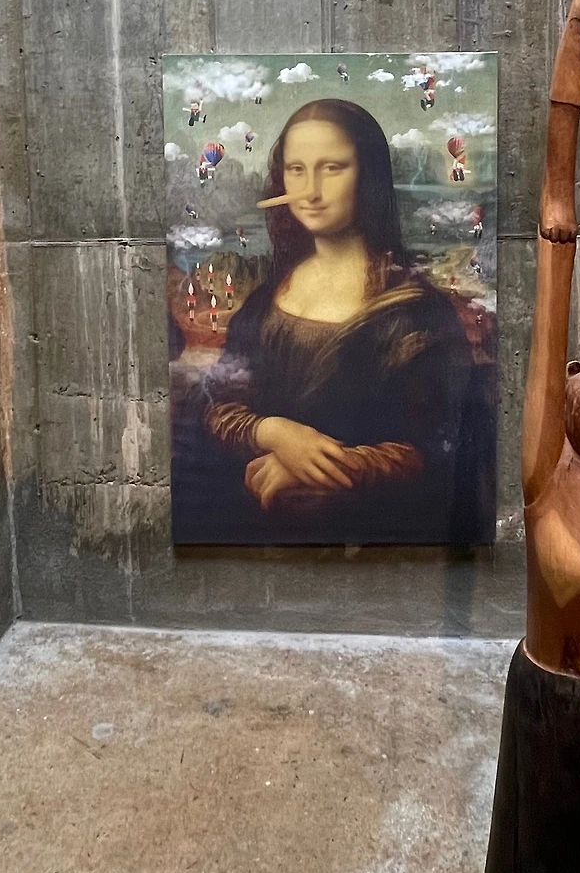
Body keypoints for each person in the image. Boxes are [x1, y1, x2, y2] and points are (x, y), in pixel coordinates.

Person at [172, 99, 493, 544]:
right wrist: (275, 433)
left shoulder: (417, 313)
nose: (310, 190)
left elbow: (437, 448)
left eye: (332, 168)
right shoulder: (267, 300)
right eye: (297, 170)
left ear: (368, 176)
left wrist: (321, 468)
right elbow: (215, 404)